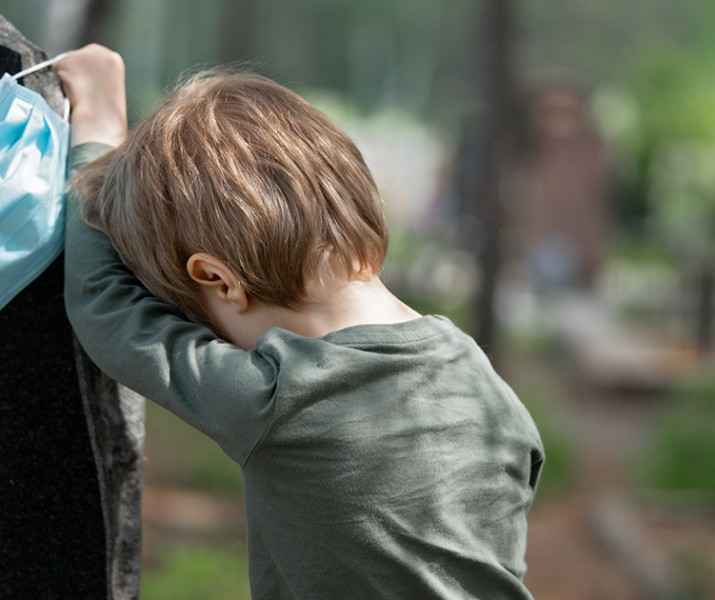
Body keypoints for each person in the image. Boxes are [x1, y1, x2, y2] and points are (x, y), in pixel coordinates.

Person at [56, 44, 544, 599]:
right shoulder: (486, 389)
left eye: (200, 317)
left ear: (219, 281)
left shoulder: (281, 398)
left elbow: (105, 307)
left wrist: (97, 129)